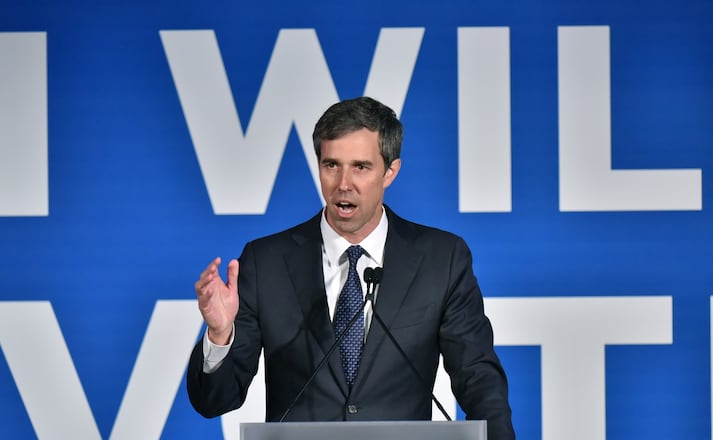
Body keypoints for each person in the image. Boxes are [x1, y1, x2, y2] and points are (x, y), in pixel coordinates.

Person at [188, 96, 515, 439]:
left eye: (360, 167)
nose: (343, 183)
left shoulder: (441, 259)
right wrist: (220, 336)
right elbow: (214, 401)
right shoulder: (265, 262)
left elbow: (478, 378)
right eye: (331, 165)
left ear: (390, 172)